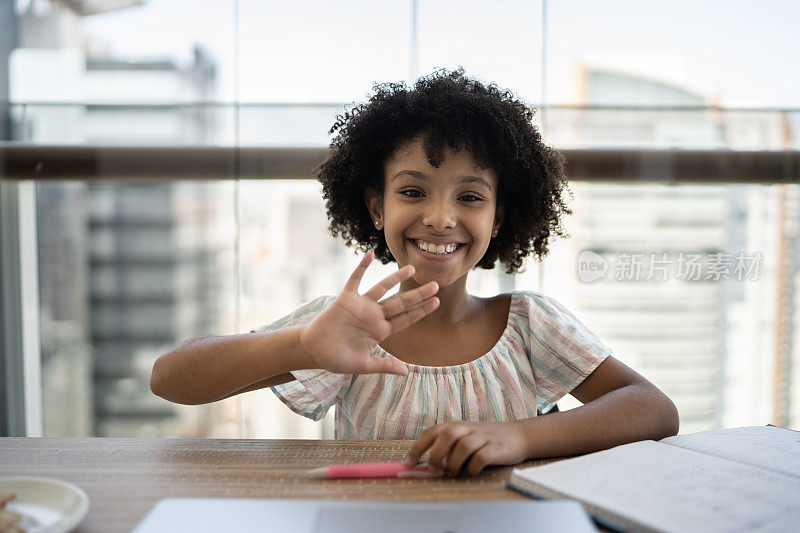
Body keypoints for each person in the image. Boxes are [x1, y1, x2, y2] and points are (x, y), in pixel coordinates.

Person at [151, 68, 679, 476]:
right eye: (412, 191)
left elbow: (653, 409)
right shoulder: (344, 328)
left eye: (470, 197)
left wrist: (516, 438)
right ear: (376, 207)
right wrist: (301, 346)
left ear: (498, 219)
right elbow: (170, 379)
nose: (440, 217)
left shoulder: (529, 325)